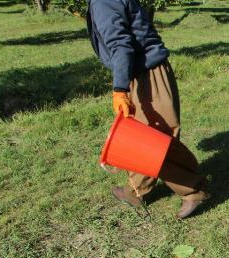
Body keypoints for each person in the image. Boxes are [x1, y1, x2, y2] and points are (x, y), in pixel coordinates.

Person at [87, 0, 208, 219]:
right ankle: (136, 189)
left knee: (154, 140)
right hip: (143, 71)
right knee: (140, 135)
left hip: (146, 74)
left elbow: (120, 45)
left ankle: (193, 190)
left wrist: (120, 89)